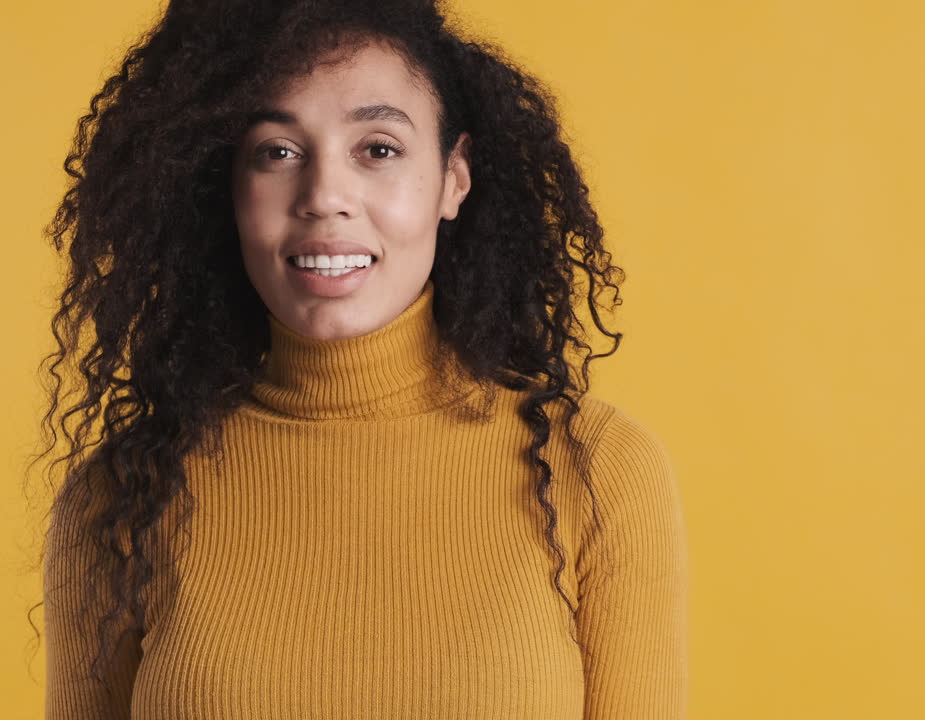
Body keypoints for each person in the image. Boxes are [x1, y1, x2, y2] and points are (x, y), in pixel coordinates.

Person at [33, 0, 689, 718]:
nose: (324, 198)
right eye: (277, 152)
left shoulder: (597, 472)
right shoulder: (121, 500)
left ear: (454, 177)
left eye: (377, 149)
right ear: (224, 189)